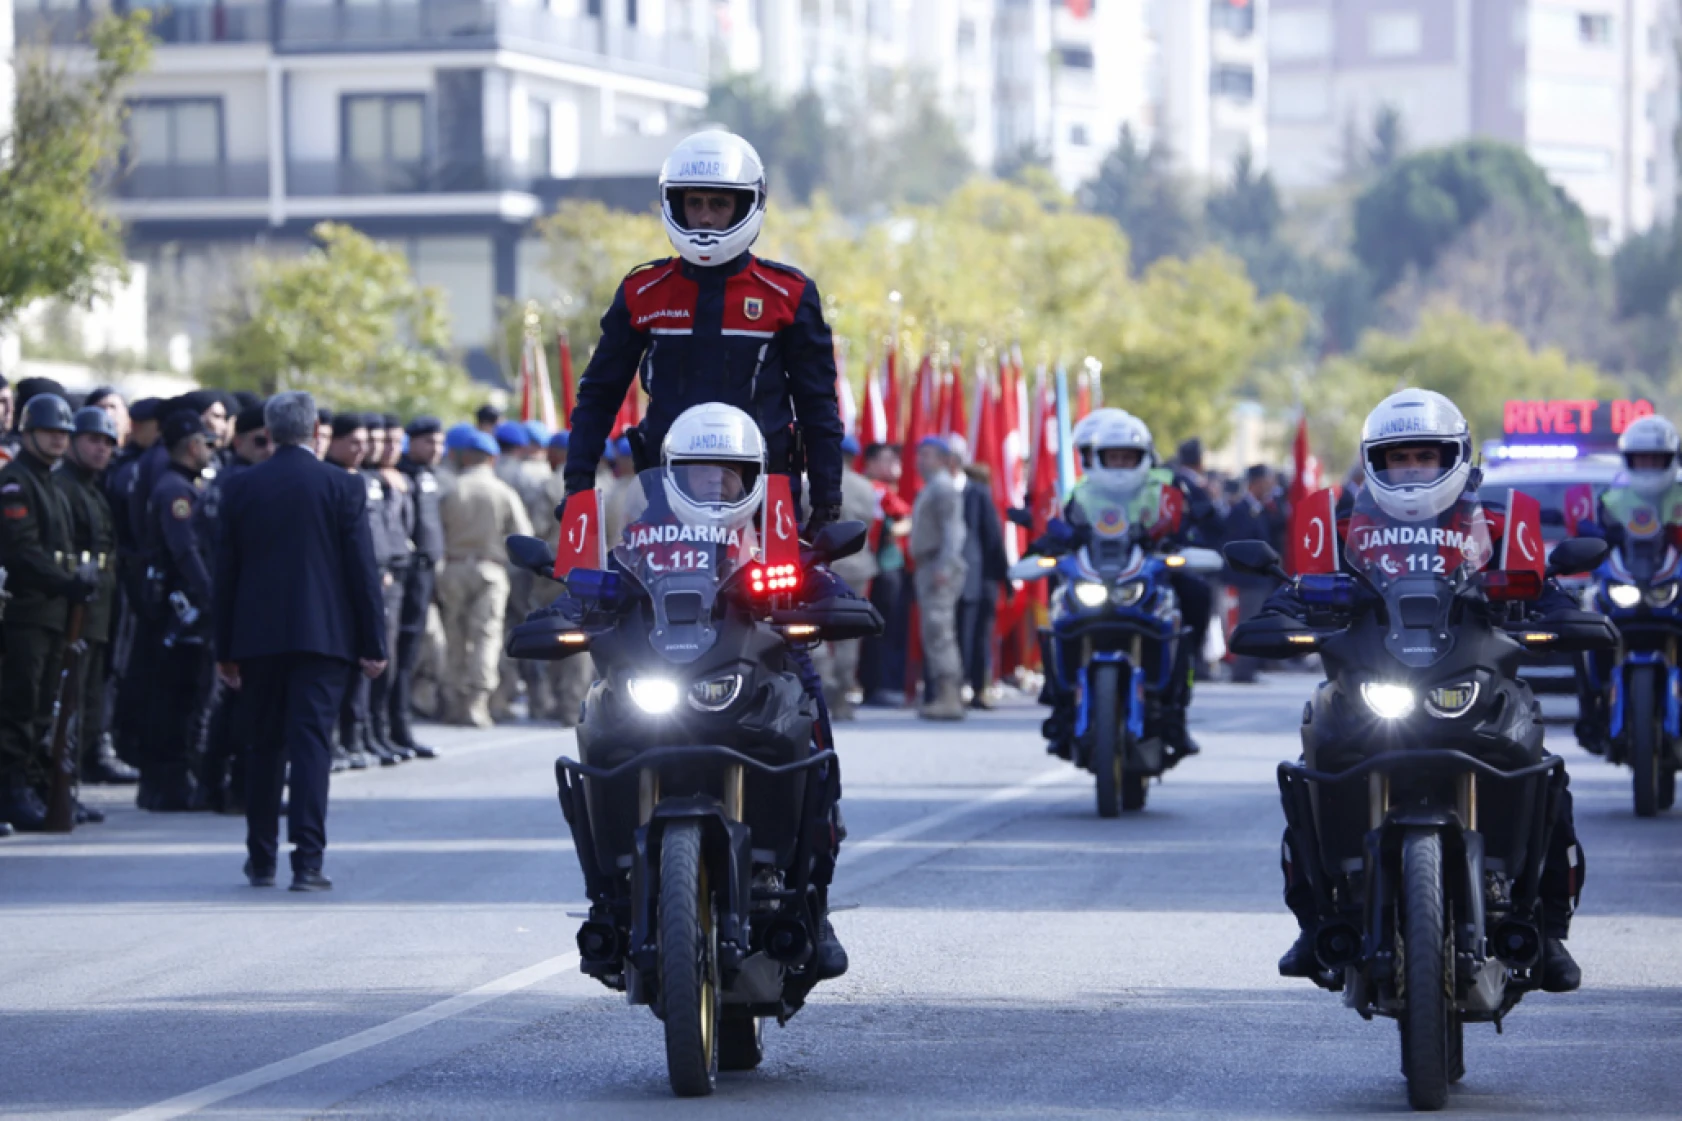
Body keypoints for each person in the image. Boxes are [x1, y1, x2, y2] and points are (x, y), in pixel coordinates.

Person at [1269, 389, 1586, 993]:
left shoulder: (1496, 523)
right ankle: (1315, 922)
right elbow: (1293, 592)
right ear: (1374, 463)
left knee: (1546, 776)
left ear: (1457, 458)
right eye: (1398, 458)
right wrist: (1278, 616)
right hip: (1369, 684)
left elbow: (1547, 590)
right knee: (1307, 766)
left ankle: (1548, 930)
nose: (1412, 469)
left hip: (1477, 682)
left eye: (1426, 456)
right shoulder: (1336, 532)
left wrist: (1560, 611)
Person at [562, 130, 845, 538]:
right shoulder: (643, 291)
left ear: (746, 204)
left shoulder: (789, 293)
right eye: (695, 203)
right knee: (627, 600)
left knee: (808, 601)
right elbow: (598, 395)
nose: (706, 217)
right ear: (675, 204)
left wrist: (827, 500)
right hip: (664, 493)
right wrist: (577, 486)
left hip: (766, 496)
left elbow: (818, 406)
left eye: (719, 203)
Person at [214, 391, 387, 891]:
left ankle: (261, 858)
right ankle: (308, 862)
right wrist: (373, 641)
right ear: (316, 432)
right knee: (310, 747)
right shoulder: (342, 486)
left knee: (263, 745)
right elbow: (362, 571)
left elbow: (226, 574)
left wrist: (223, 649)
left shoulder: (241, 486)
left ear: (268, 432)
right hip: (324, 637)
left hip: (257, 638)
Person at [0, 395, 99, 830]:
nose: (60, 440)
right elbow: (24, 553)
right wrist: (66, 583)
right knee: (19, 705)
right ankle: (11, 790)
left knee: (46, 707)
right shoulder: (16, 482)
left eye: (64, 434)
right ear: (28, 433)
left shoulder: (51, 483)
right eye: (51, 432)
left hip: (54, 613)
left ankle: (36, 785)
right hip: (27, 612)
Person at [1572, 414, 1682, 755]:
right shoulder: (1612, 498)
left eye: (1656, 458)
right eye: (1641, 458)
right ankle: (1591, 708)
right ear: (1629, 459)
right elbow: (1593, 530)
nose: (1648, 465)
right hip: (1628, 586)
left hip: (1671, 585)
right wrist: (1593, 533)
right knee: (1583, 627)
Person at [195, 403, 274, 812]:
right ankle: (229, 786)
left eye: (272, 440)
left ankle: (223, 785)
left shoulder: (244, 480)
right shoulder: (236, 483)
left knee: (236, 704)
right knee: (238, 703)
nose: (268, 448)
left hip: (241, 602)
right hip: (235, 602)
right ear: (239, 439)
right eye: (260, 440)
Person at [138, 410, 218, 811]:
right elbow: (184, 551)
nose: (209, 450)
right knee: (175, 696)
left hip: (183, 606)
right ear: (192, 445)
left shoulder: (183, 485)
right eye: (206, 442)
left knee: (184, 695)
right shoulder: (176, 492)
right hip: (178, 608)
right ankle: (166, 784)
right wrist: (209, 595)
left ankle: (173, 780)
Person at [56, 407, 134, 788]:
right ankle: (54, 782)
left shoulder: (92, 488)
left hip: (97, 609)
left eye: (107, 442)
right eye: (93, 440)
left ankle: (70, 784)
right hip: (71, 609)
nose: (101, 449)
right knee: (65, 700)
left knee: (87, 698)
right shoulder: (64, 487)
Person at [437, 427, 532, 728]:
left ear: (465, 458)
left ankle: (453, 701)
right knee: (486, 636)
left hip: (452, 567)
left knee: (454, 635)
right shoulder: (502, 491)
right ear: (491, 459)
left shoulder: (451, 489)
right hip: (490, 569)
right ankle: (477, 703)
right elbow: (523, 535)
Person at [815, 436, 880, 720]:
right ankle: (841, 695)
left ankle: (823, 684)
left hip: (825, 567)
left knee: (813, 630)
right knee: (849, 634)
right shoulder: (867, 488)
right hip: (858, 566)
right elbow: (872, 523)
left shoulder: (813, 484)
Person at [392, 417, 444, 757]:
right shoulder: (401, 474)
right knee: (397, 653)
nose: (436, 450)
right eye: (429, 443)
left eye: (439, 444)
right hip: (405, 573)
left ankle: (401, 728)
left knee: (411, 653)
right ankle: (390, 727)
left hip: (426, 573)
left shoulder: (428, 475)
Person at [366, 414, 415, 760]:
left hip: (404, 571)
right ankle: (365, 732)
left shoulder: (403, 479)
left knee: (401, 656)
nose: (389, 449)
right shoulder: (368, 480)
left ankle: (391, 728)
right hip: (378, 574)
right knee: (378, 655)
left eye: (396, 442)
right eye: (384, 441)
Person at [910, 436, 968, 721]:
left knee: (939, 630)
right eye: (920, 454)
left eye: (928, 455)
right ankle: (942, 694)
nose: (921, 460)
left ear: (945, 459)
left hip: (938, 565)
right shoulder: (933, 487)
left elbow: (953, 531)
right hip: (928, 565)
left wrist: (945, 566)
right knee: (933, 632)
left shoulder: (943, 487)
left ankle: (949, 696)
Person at [1223, 464, 1291, 685]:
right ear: (1255, 483)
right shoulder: (1242, 510)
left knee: (1256, 623)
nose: (1270, 487)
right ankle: (1241, 671)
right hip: (1249, 579)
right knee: (1248, 623)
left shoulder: (1261, 510)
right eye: (1266, 482)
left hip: (1260, 579)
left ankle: (1249, 669)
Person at [859, 442, 912, 706]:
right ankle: (882, 685)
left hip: (880, 568)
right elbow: (904, 517)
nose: (894, 466)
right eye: (886, 460)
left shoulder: (878, 489)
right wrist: (904, 527)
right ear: (870, 463)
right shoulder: (876, 491)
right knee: (884, 630)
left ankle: (879, 685)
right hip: (882, 569)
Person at [957, 455, 1010, 709]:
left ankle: (963, 687)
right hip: (984, 579)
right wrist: (1006, 578)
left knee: (962, 634)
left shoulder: (963, 495)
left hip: (962, 577)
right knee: (979, 636)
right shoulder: (980, 496)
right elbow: (994, 539)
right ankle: (978, 688)